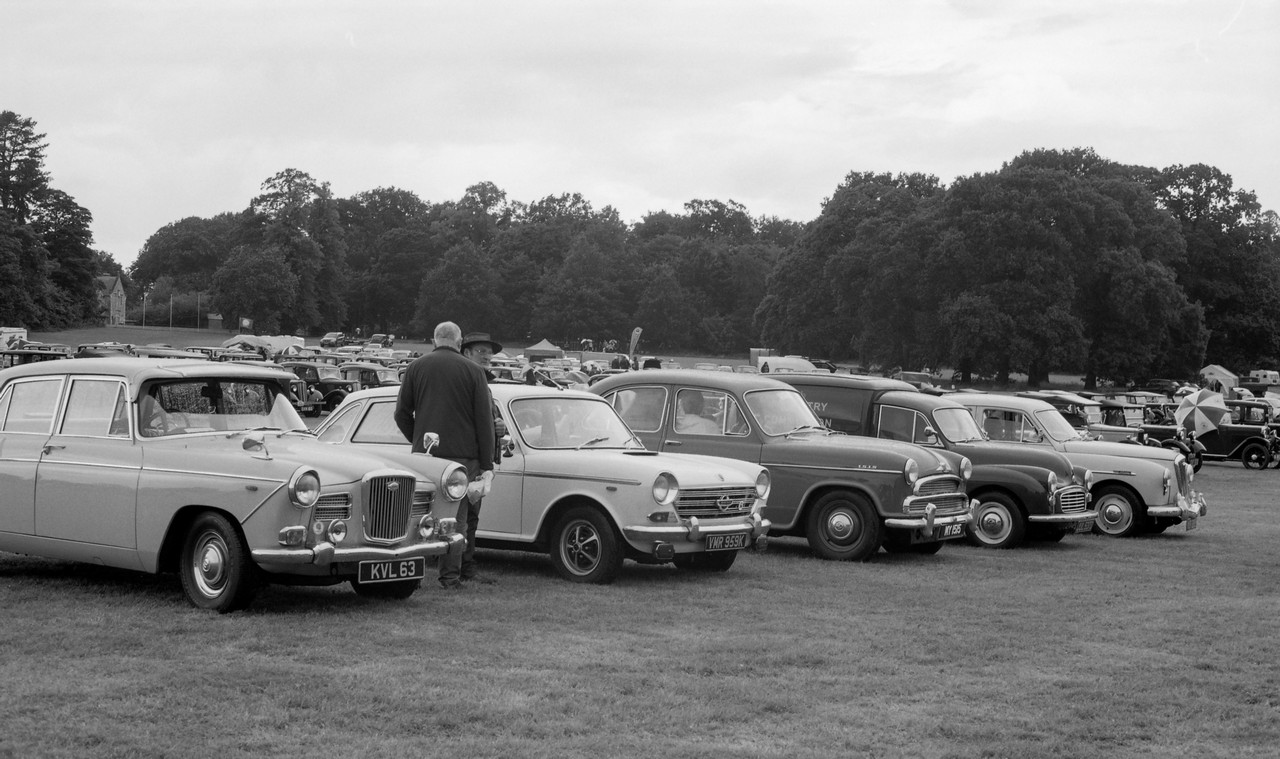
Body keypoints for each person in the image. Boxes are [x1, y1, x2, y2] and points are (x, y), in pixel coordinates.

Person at [395, 322, 495, 589]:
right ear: (459, 343)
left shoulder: (415, 367)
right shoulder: (474, 371)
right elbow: (484, 422)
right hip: (463, 458)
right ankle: (450, 576)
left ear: (434, 341)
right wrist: (486, 463)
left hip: (425, 457)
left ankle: (410, 574)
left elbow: (401, 413)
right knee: (457, 519)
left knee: (418, 515)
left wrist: (419, 441)